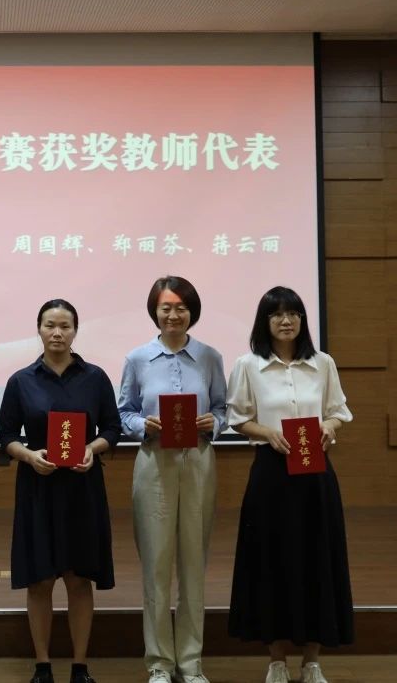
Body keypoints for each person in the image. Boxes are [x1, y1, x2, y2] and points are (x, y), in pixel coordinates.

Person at [226, 287, 354, 683]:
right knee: (271, 561)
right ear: (264, 321)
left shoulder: (322, 363)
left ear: (302, 319)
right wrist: (267, 432)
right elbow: (237, 417)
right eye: (277, 314)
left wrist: (329, 426)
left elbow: (339, 410)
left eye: (293, 313)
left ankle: (312, 661)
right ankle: (277, 660)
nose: (286, 321)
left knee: (317, 559)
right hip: (271, 473)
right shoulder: (248, 365)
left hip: (315, 473)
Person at [0, 299, 121, 683]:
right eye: (50, 325)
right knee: (40, 580)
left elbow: (112, 429)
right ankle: (43, 665)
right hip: (39, 487)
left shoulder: (95, 378)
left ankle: (80, 666)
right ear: (39, 329)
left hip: (83, 488)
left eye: (65, 326)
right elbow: (5, 436)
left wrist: (92, 449)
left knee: (79, 578)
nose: (57, 333)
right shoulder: (21, 380)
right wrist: (29, 455)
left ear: (75, 331)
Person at [117, 276, 227, 683]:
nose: (174, 314)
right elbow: (123, 411)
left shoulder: (210, 357)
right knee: (156, 565)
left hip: (198, 461)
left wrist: (215, 422)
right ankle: (160, 663)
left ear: (191, 311)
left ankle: (191, 662)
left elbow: (223, 408)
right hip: (154, 463)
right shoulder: (137, 359)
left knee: (194, 564)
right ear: (155, 311)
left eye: (181, 307)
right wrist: (140, 425)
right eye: (166, 307)